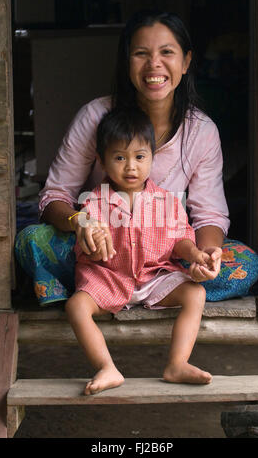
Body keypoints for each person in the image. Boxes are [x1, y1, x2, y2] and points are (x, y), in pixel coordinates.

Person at [15, 9, 258, 306]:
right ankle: (115, 291)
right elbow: (54, 196)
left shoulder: (201, 132)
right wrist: (79, 221)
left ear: (186, 62)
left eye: (167, 52)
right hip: (99, 259)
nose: (154, 64)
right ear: (126, 62)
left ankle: (100, 296)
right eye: (141, 53)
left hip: (167, 262)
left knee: (245, 265)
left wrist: (205, 257)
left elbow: (209, 214)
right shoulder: (95, 117)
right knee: (31, 241)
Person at [66, 107, 213, 395]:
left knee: (196, 293)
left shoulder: (167, 201)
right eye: (120, 157)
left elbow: (179, 241)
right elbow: (88, 249)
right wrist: (94, 239)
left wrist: (194, 254)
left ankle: (177, 364)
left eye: (140, 157)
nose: (131, 167)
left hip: (152, 277)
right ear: (102, 161)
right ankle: (107, 367)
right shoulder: (94, 203)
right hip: (108, 277)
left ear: (152, 158)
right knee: (76, 307)